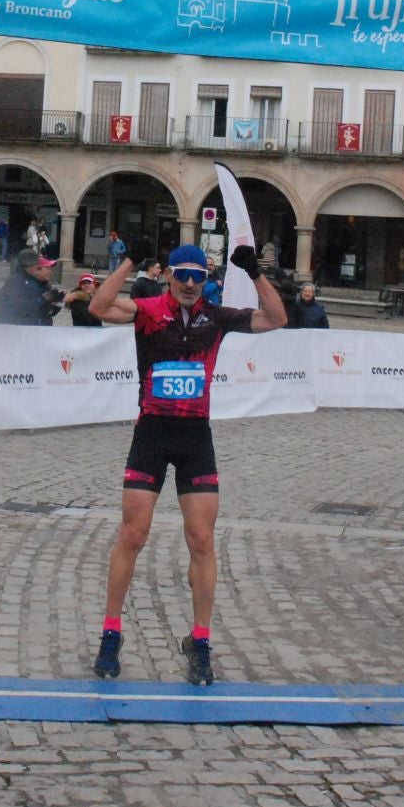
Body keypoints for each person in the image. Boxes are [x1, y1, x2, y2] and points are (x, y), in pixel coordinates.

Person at [86, 242, 288, 686]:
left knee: (200, 538)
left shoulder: (216, 317)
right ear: (170, 276)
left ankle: (199, 641)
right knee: (132, 534)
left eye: (198, 277)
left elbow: (276, 319)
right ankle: (111, 632)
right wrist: (127, 263)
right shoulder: (148, 309)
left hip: (195, 436)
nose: (190, 284)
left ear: (206, 280)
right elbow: (100, 306)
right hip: (152, 433)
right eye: (182, 276)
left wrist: (255, 274)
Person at [0, 248, 63, 326]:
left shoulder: (41, 284)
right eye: (28, 265)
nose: (32, 267)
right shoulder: (15, 280)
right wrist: (45, 298)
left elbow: (47, 312)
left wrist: (58, 301)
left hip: (35, 326)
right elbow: (22, 306)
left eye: (34, 264)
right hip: (14, 325)